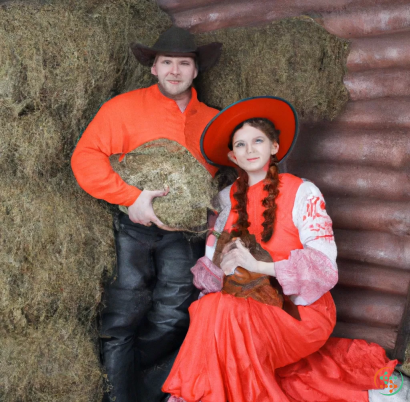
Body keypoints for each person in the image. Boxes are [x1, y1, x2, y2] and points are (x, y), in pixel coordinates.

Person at [162, 96, 397, 402]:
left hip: (299, 315)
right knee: (209, 306)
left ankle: (190, 396)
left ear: (274, 147)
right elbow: (212, 266)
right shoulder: (224, 199)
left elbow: (325, 267)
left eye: (258, 140)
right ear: (232, 156)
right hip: (245, 304)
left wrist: (259, 266)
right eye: (241, 145)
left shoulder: (303, 191)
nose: (250, 150)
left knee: (224, 312)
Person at [71, 27, 222, 402]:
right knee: (122, 317)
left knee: (174, 317)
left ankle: (134, 388)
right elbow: (85, 158)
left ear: (196, 70)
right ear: (153, 68)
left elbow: (231, 171)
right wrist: (130, 197)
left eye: (183, 63)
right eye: (166, 62)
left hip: (184, 234)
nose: (175, 70)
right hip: (134, 227)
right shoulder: (122, 108)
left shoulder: (215, 120)